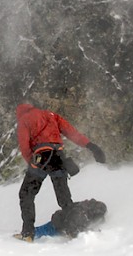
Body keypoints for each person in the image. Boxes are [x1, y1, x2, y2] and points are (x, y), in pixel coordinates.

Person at [13, 102, 106, 242]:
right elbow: (72, 133)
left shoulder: (24, 120)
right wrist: (91, 146)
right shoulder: (51, 115)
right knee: (64, 199)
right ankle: (75, 228)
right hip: (58, 157)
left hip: (41, 158)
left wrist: (32, 164)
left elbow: (25, 147)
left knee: (26, 194)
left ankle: (28, 233)